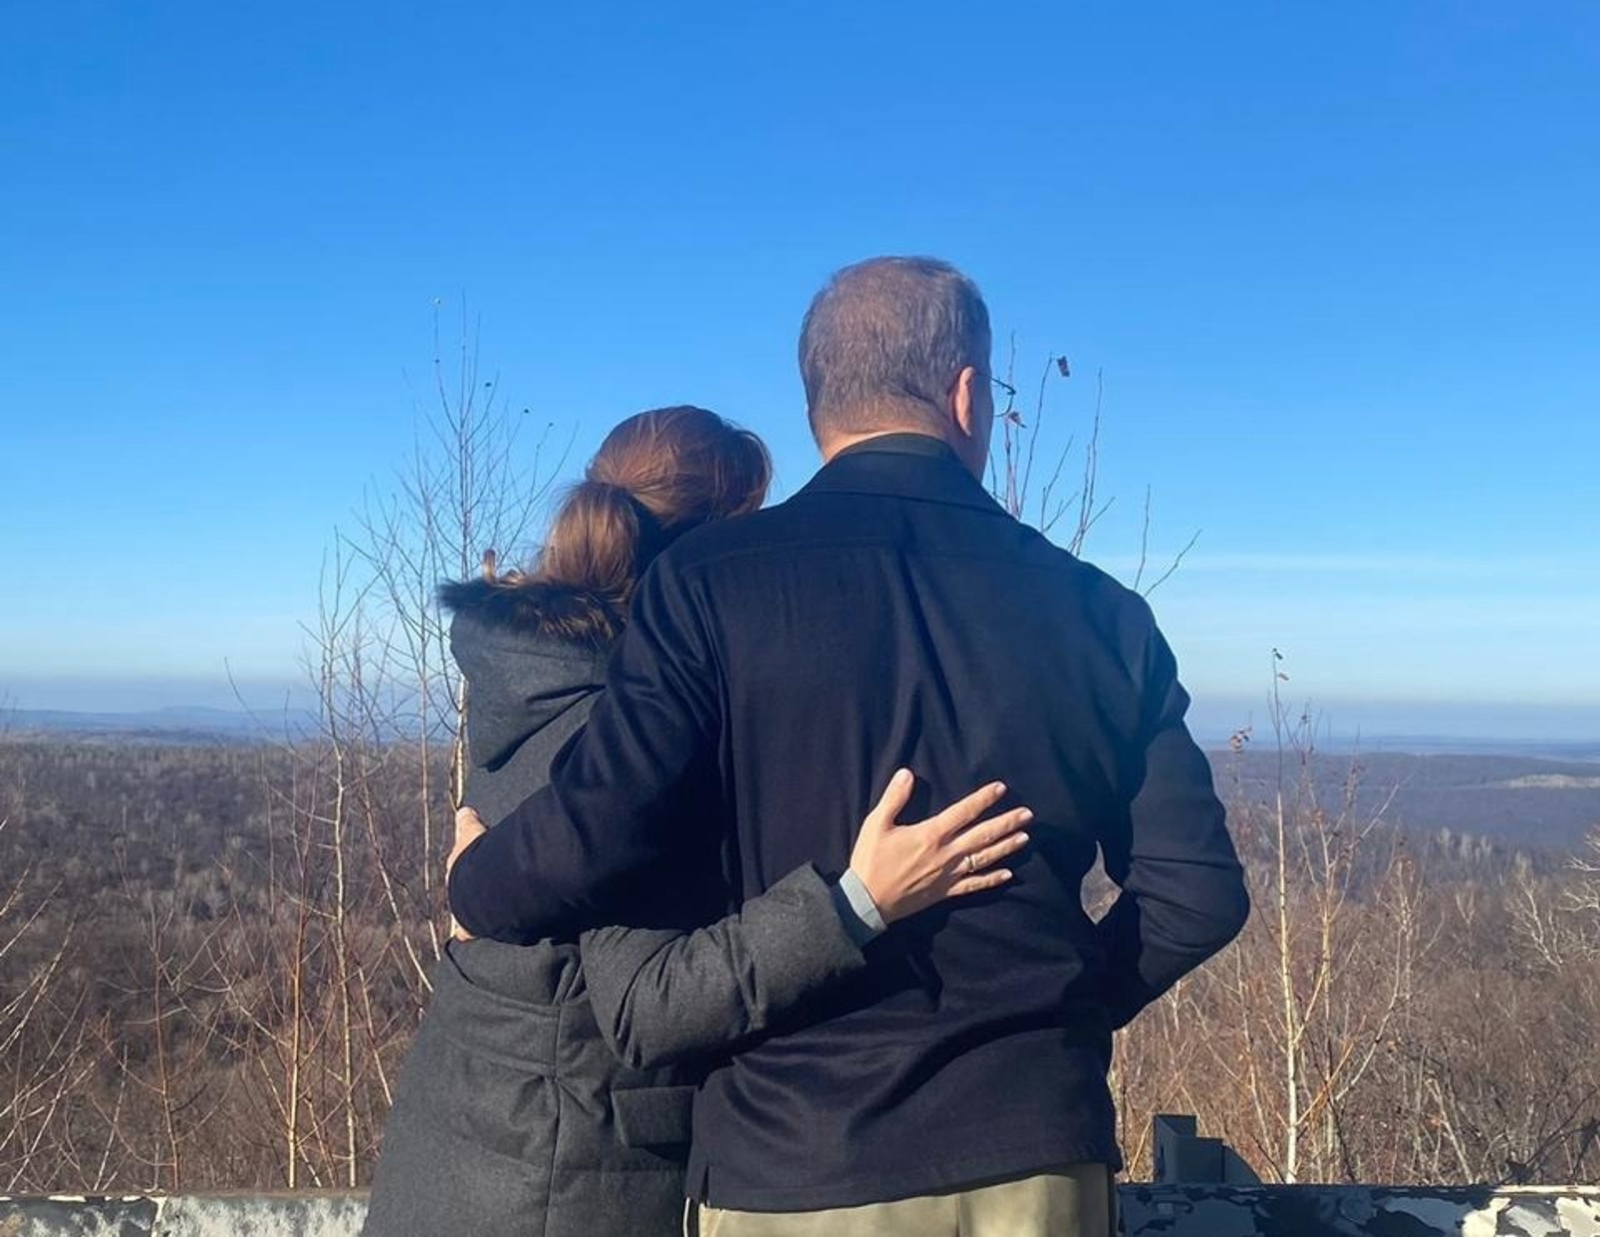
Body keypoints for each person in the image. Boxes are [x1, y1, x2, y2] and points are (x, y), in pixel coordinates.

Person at [450, 260, 1252, 1236]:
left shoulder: (707, 585)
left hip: (793, 1161)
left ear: (816, 403)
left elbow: (601, 826)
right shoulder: (1102, 616)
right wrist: (1057, 1015)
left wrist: (477, 886)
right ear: (967, 394)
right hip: (1036, 1154)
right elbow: (1197, 893)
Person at [364, 404, 1028, 1237]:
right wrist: (856, 901)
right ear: (707, 554)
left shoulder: (530, 677)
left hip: (457, 1153)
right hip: (560, 1183)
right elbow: (650, 1004)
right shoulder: (627, 730)